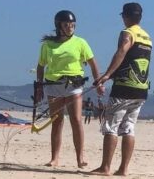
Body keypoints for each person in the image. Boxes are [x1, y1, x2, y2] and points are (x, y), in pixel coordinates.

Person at [35, 10, 104, 168]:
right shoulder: (48, 45)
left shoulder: (81, 42)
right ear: (59, 25)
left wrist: (98, 83)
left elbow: (93, 64)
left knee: (76, 120)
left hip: (73, 86)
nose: (70, 27)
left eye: (73, 25)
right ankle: (54, 159)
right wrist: (39, 85)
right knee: (56, 122)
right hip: (53, 86)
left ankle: (80, 158)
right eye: (67, 24)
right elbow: (40, 66)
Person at [91, 2, 152, 177]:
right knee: (129, 128)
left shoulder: (128, 33)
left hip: (124, 87)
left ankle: (105, 167)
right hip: (141, 88)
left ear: (125, 16)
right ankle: (123, 169)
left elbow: (122, 52)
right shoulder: (147, 37)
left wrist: (107, 74)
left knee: (111, 126)